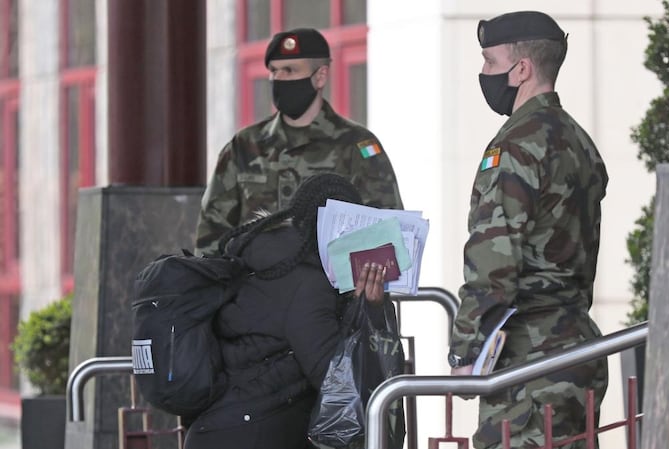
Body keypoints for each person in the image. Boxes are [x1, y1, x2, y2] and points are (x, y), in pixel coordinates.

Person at [447, 11, 609, 449]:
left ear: (522, 69)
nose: (483, 73)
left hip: (529, 365)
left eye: (489, 61)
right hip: (578, 350)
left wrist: (465, 350)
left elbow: (493, 258)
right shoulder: (578, 142)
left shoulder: (516, 146)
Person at [183, 173, 398, 449]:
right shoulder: (306, 282)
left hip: (222, 428)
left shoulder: (263, 259)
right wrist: (363, 308)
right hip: (253, 433)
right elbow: (335, 381)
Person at [195, 27, 404, 255]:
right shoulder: (243, 147)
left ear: (320, 76)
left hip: (328, 288)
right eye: (274, 71)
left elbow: (386, 232)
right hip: (253, 286)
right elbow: (212, 237)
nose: (278, 79)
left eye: (289, 70)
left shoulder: (357, 146)